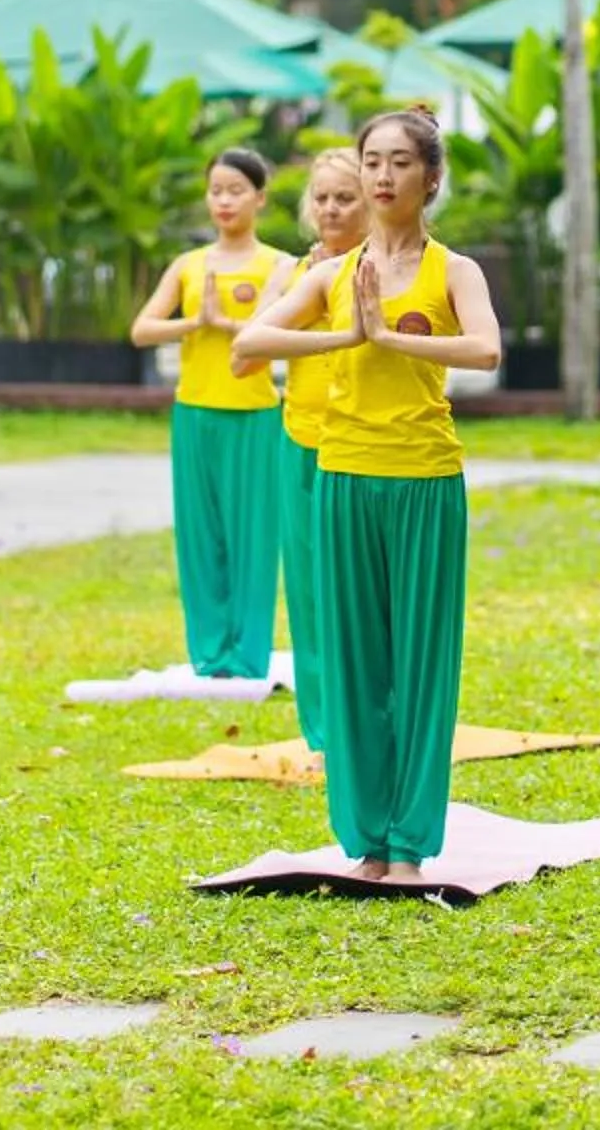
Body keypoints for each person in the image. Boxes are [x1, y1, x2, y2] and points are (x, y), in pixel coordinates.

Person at [236, 109, 502, 880]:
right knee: (355, 664)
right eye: (372, 162)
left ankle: (410, 843)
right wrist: (344, 337)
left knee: (420, 663)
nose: (383, 177)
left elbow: (485, 349)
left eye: (399, 164)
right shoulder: (331, 275)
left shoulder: (454, 271)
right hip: (344, 478)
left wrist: (390, 338)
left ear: (431, 178)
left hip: (423, 479)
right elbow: (252, 345)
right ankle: (366, 842)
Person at [130, 149, 295, 680]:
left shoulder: (280, 265)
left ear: (260, 198)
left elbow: (267, 328)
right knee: (201, 536)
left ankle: (248, 654)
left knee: (253, 535)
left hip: (253, 414)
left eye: (236, 191)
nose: (224, 201)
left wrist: (225, 323)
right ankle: (209, 652)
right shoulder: (188, 265)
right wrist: (193, 324)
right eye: (216, 190)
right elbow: (142, 330)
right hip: (194, 413)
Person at [239, 148, 369, 754]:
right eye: (321, 198)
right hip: (301, 442)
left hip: (365, 449)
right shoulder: (294, 274)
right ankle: (323, 732)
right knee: (311, 595)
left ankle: (369, 717)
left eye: (345, 198)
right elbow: (246, 357)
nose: (331, 209)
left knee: (361, 595)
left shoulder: (383, 270)